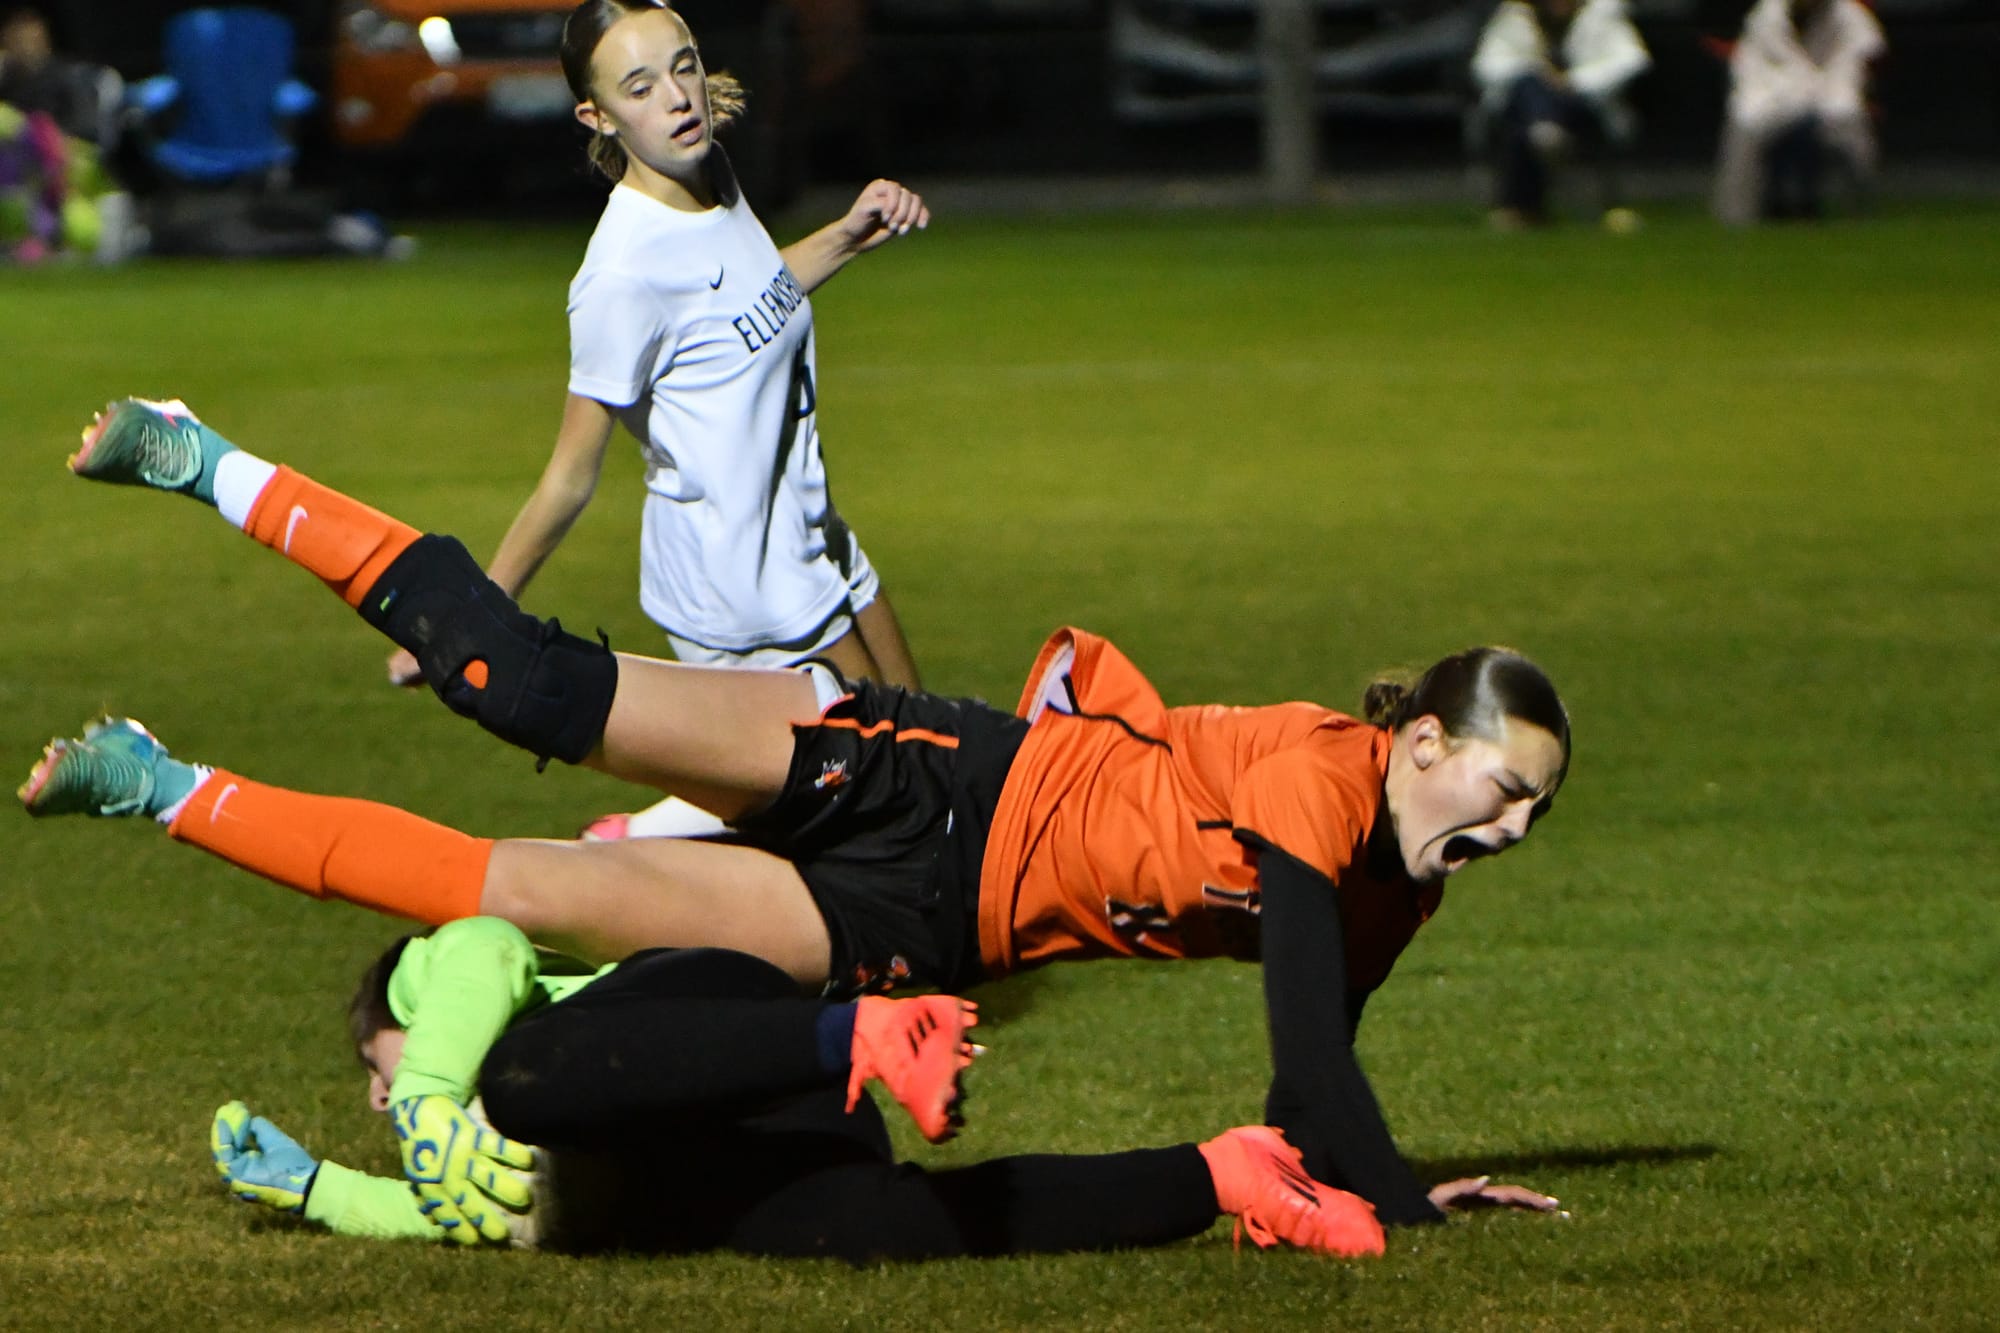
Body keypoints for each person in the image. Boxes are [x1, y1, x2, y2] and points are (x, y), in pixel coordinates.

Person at [32, 394, 1573, 1233]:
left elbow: (1320, 1088)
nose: (1505, 831)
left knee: (493, 891)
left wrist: (1394, 1178)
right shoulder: (1321, 779)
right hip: (930, 776)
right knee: (513, 678)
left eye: (1533, 815)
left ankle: (163, 786)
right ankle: (214, 461)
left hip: (912, 927)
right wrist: (1405, 1215)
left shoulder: (1402, 884)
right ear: (1419, 738)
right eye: (1502, 789)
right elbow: (1307, 1048)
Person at [386, 0, 926, 840]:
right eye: (640, 86)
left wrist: (849, 237)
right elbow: (569, 477)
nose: (678, 97)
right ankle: (644, 847)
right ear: (596, 116)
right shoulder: (620, 274)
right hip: (744, 584)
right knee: (896, 798)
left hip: (815, 532)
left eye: (683, 66)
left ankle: (660, 831)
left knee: (922, 742)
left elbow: (746, 301)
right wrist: (473, 614)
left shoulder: (711, 176)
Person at [205, 918, 1389, 1258]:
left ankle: (872, 1024)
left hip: (724, 1022)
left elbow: (481, 949)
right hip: (745, 1131)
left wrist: (424, 1094)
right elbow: (461, 1209)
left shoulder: (450, 990)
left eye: (375, 1067)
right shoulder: (469, 1136)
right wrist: (317, 1190)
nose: (380, 1099)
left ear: (398, 1021)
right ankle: (1229, 1170)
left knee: (522, 1085)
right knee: (865, 1227)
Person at [1469, 0, 1650, 231]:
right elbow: (1486, 66)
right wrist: (1538, 75)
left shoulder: (1603, 17)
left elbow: (1632, 60)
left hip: (1585, 108)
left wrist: (1572, 82)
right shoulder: (1515, 18)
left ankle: (1519, 208)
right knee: (1529, 88)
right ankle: (1545, 129)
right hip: (1523, 103)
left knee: (1527, 125)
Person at [1712, 0, 1885, 226]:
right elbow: (1753, 65)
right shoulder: (1768, 13)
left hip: (1831, 94)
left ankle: (1859, 208)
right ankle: (1738, 214)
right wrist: (1794, 87)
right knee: (1745, 127)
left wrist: (1824, 88)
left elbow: (1858, 57)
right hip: (1771, 96)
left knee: (1852, 136)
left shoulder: (1848, 15)